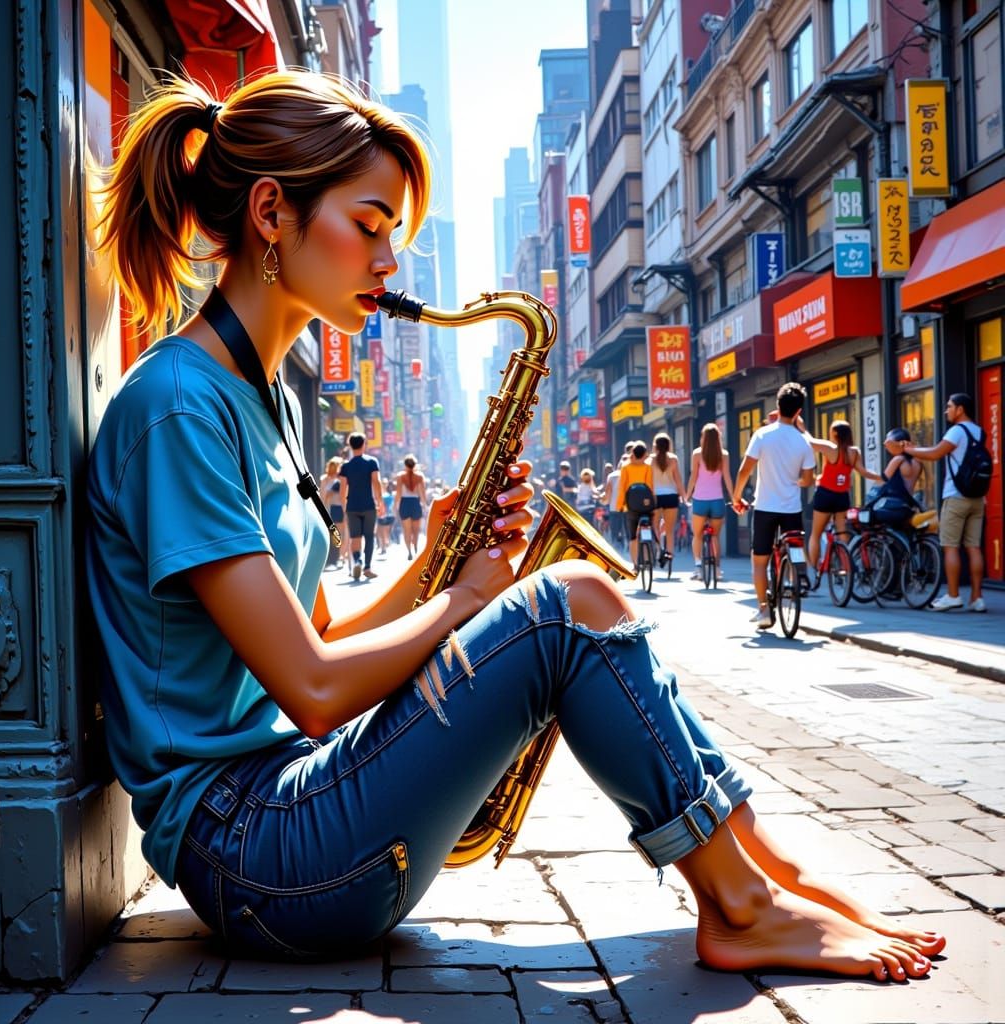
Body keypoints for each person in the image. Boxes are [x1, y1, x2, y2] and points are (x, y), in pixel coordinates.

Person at [84, 71, 943, 979]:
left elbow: (321, 638)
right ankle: (741, 905)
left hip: (298, 811)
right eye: (369, 226)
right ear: (270, 212)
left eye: (396, 237)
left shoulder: (259, 400)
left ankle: (761, 865)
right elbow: (313, 686)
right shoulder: (179, 405)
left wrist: (435, 568)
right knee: (569, 600)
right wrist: (463, 601)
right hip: (253, 852)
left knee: (580, 598)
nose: (388, 262)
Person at [732, 383, 816, 629]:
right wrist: (794, 481)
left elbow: (745, 469)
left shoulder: (763, 435)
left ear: (777, 407)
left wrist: (737, 497)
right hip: (792, 510)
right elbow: (808, 480)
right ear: (798, 411)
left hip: (765, 508)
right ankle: (794, 574)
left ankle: (764, 610)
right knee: (793, 545)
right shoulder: (804, 442)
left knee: (760, 561)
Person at [905, 393, 987, 612]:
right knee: (973, 547)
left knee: (950, 546)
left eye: (949, 407)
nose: (946, 410)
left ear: (960, 409)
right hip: (977, 498)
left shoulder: (957, 431)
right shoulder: (979, 431)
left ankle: (953, 595)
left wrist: (909, 450)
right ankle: (977, 598)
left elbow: (934, 453)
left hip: (956, 496)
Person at [804, 420, 883, 573]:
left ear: (835, 433)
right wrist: (882, 478)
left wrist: (801, 426)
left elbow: (809, 441)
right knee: (842, 533)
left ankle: (813, 569)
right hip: (842, 497)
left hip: (825, 494)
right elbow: (864, 472)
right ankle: (845, 568)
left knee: (815, 534)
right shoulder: (854, 452)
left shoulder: (830, 448)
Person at [686, 423, 734, 581]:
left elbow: (693, 477)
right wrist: (734, 497)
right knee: (715, 536)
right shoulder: (724, 455)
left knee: (697, 535)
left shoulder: (697, 454)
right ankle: (718, 569)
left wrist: (687, 495)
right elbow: (727, 477)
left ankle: (698, 567)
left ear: (704, 438)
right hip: (717, 500)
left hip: (700, 500)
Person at [340, 432, 383, 579]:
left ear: (350, 446)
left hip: (352, 506)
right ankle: (367, 568)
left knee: (355, 538)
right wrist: (380, 502)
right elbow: (376, 483)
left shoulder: (346, 466)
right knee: (369, 537)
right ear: (364, 444)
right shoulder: (372, 462)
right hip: (369, 505)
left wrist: (344, 507)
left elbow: (342, 489)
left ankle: (357, 560)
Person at [650, 432, 686, 566]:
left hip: (655, 497)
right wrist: (684, 496)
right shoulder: (673, 459)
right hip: (671, 496)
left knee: (655, 526)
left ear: (655, 446)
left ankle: (659, 550)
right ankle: (670, 553)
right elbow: (678, 480)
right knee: (670, 529)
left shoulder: (650, 460)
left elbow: (648, 480)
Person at [617, 441, 654, 569]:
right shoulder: (648, 467)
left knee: (632, 536)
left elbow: (622, 488)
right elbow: (650, 486)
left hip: (630, 505)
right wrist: (653, 502)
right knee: (647, 527)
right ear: (644, 454)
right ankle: (648, 557)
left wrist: (620, 505)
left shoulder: (625, 467)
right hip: (645, 504)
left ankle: (635, 564)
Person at [395, 454, 427, 560]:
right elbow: (422, 493)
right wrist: (425, 506)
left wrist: (395, 506)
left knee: (406, 530)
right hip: (415, 502)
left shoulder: (400, 476)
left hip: (404, 503)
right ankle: (416, 547)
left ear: (405, 464)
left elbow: (398, 493)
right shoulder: (420, 476)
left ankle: (409, 550)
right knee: (416, 530)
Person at [321, 456, 347, 570]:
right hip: (329, 509)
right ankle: (332, 558)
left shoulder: (342, 479)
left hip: (339, 508)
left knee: (338, 534)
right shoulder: (324, 479)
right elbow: (322, 496)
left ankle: (339, 557)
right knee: (332, 534)